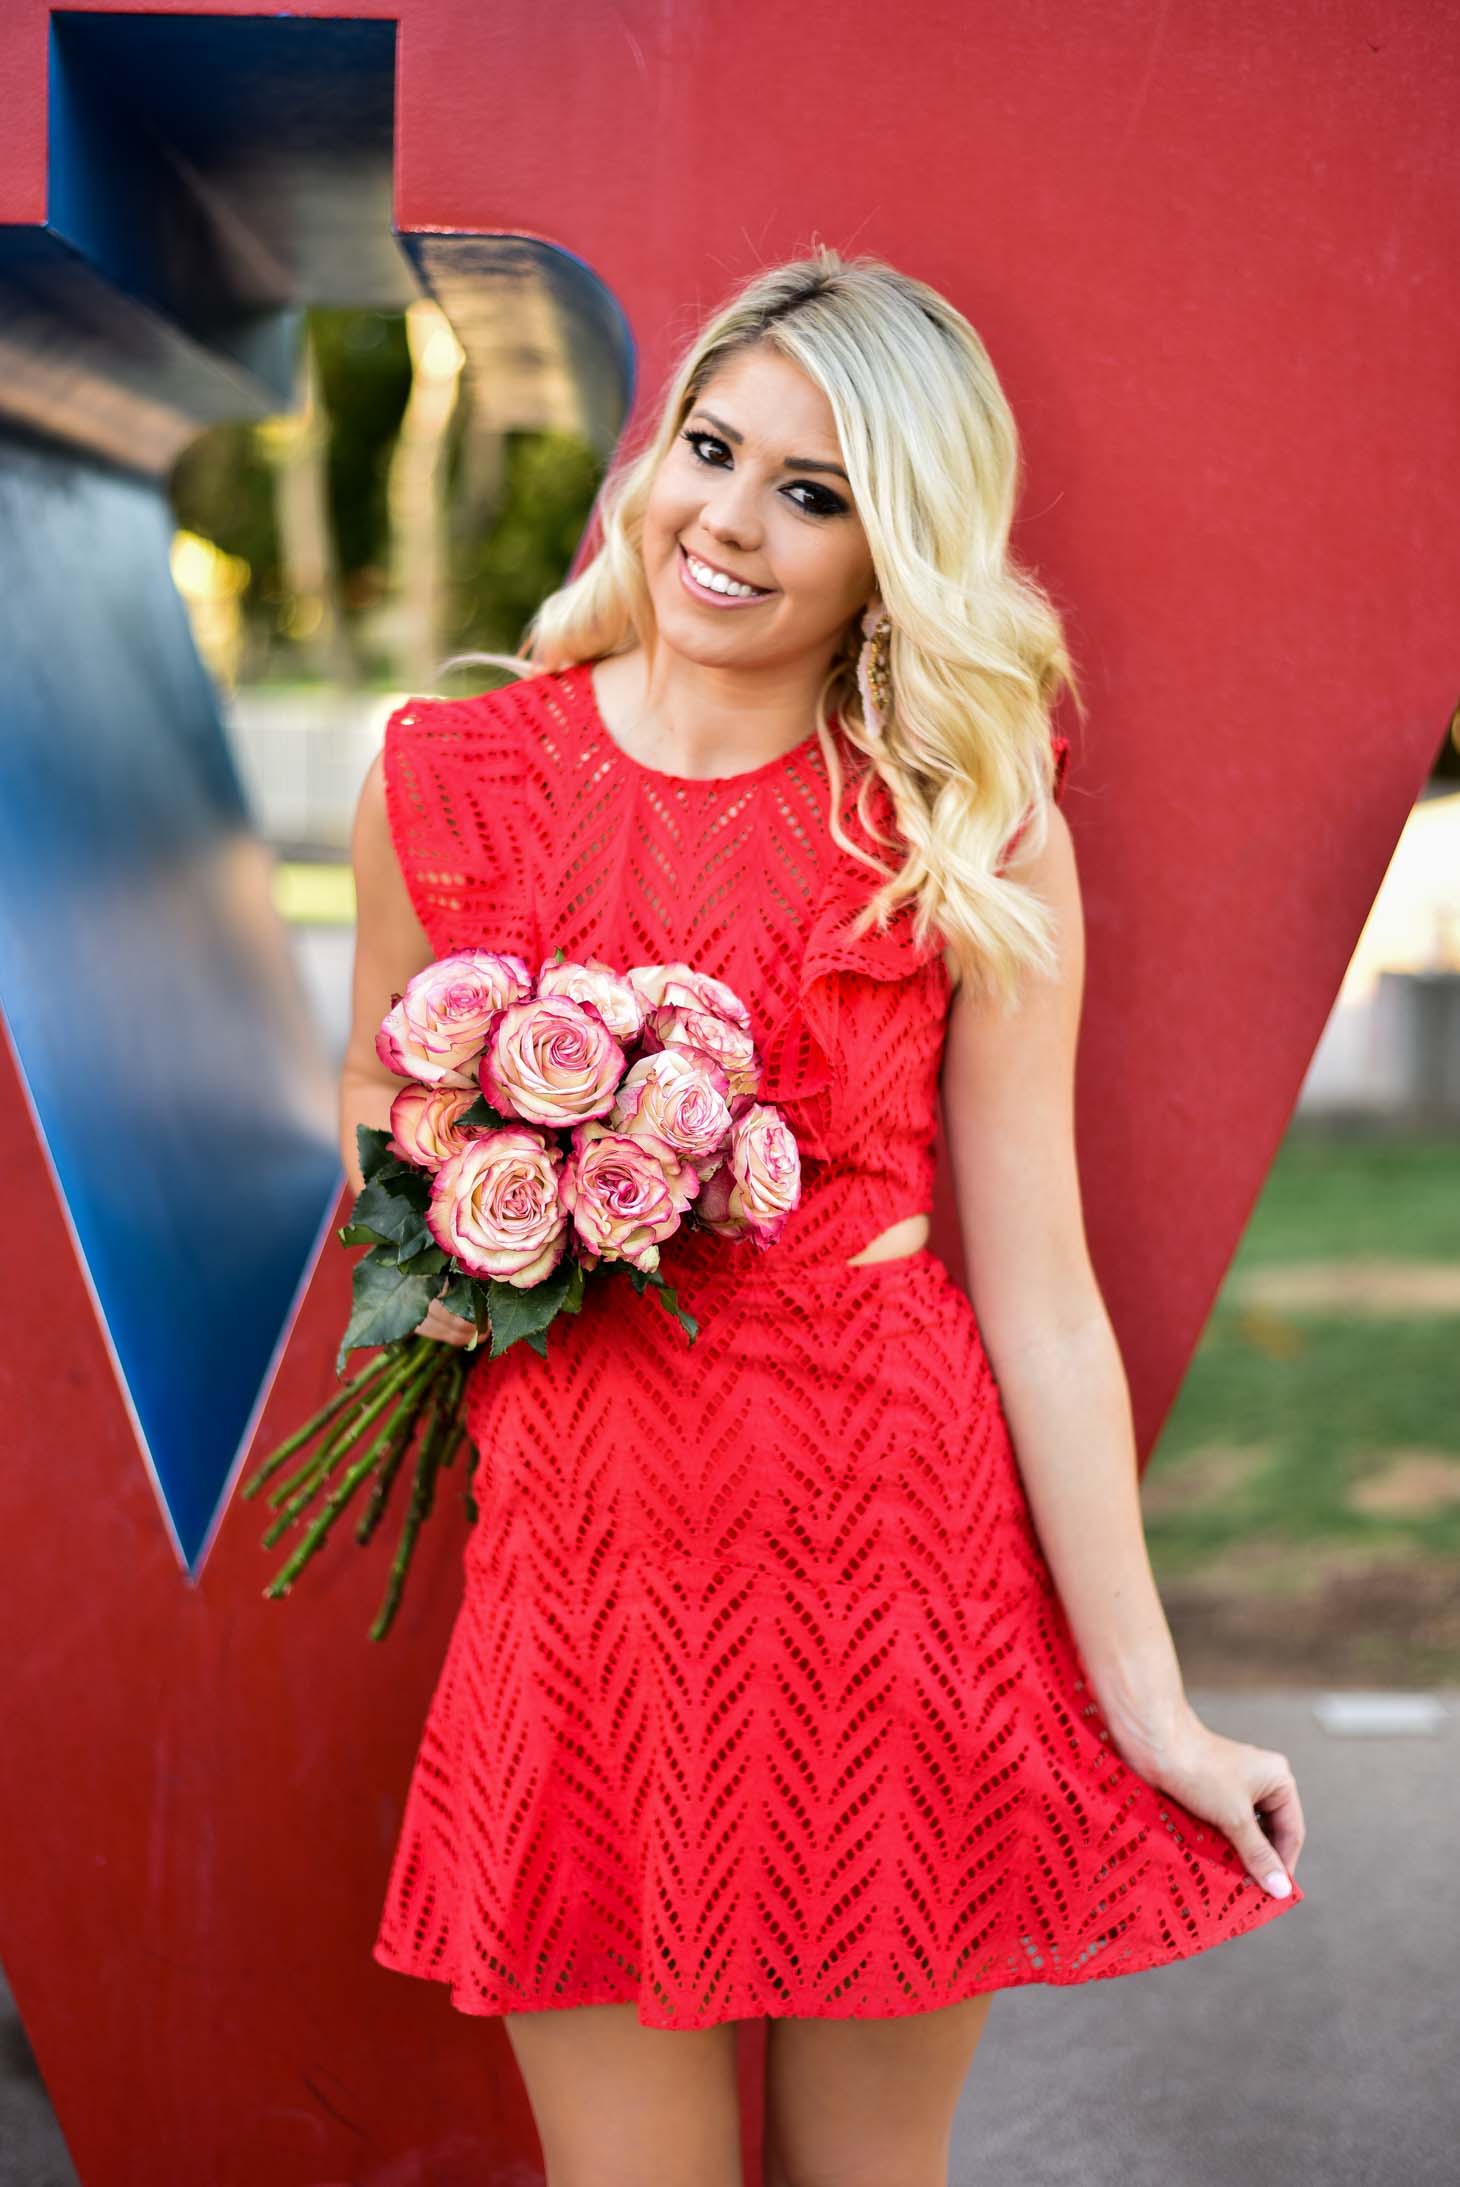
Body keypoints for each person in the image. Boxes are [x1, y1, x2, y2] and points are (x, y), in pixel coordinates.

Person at [343, 247, 1307, 2187]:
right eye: (716, 447)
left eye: (818, 490)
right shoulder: (447, 771)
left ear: (898, 548)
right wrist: (479, 1219)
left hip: (888, 1576)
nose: (733, 519)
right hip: (581, 1587)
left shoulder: (958, 818)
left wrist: (1153, 1702)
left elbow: (1035, 1291)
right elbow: (375, 1102)